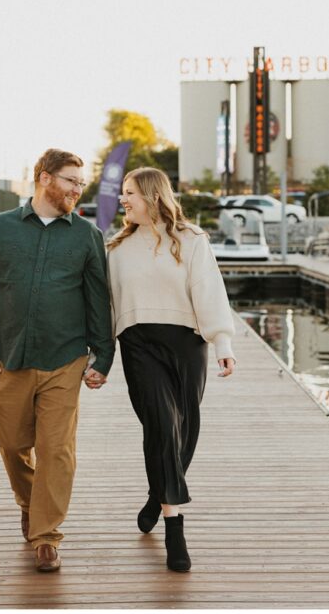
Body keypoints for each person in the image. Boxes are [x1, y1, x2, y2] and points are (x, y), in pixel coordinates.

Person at [0, 148, 114, 572]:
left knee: (57, 449)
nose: (77, 189)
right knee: (14, 445)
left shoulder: (86, 236)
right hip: (7, 359)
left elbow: (97, 301)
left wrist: (103, 355)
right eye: (71, 180)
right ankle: (30, 503)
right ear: (45, 178)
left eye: (81, 183)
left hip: (65, 358)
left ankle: (46, 535)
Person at [106, 167, 236, 572]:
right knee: (162, 424)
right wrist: (100, 357)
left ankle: (156, 494)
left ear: (152, 195)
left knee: (185, 430)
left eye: (129, 193)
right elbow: (107, 306)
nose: (123, 200)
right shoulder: (116, 249)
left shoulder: (192, 239)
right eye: (122, 194)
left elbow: (209, 290)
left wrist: (222, 342)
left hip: (187, 343)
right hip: (138, 342)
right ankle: (174, 528)